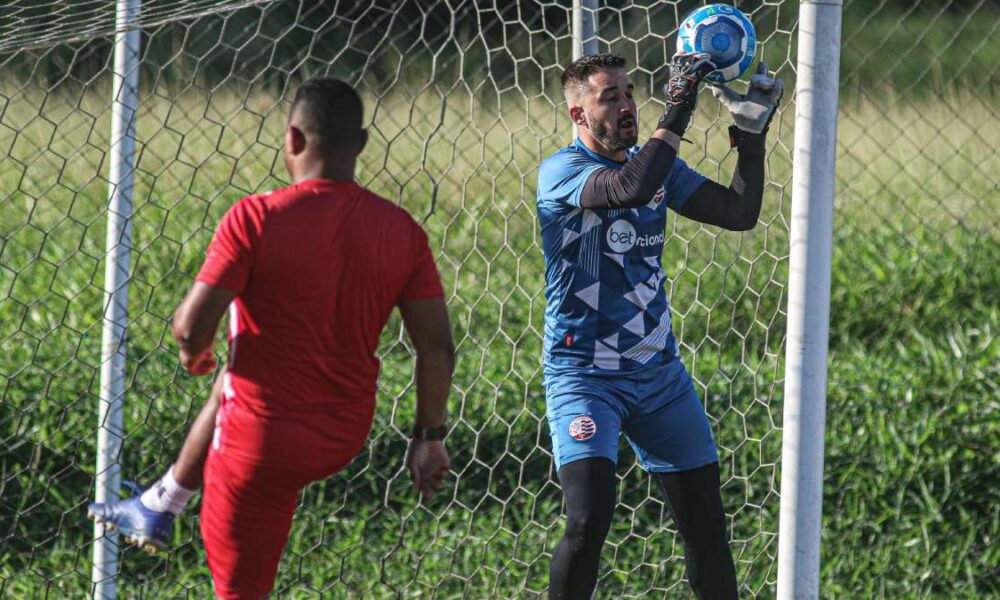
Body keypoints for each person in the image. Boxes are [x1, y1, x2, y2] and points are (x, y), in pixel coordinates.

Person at [89, 77, 456, 599]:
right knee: (239, 368)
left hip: (258, 444)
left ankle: (162, 504)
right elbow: (437, 348)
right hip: (343, 432)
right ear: (363, 143)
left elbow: (190, 328)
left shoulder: (255, 218)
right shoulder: (402, 230)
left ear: (291, 139)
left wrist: (195, 354)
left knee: (242, 591)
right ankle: (161, 502)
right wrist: (429, 437)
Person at [536, 52, 782, 599]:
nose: (627, 106)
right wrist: (677, 110)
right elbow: (629, 190)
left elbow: (737, 212)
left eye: (629, 93)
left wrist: (751, 139)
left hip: (660, 375)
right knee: (587, 521)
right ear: (579, 116)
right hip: (585, 377)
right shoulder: (563, 173)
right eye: (610, 97)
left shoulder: (659, 165)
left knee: (706, 525)